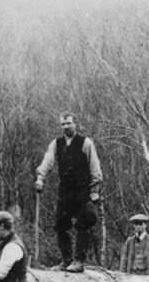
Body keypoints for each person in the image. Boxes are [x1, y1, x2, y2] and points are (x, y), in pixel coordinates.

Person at [35, 112, 103, 272]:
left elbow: (95, 167)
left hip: (83, 190)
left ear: (75, 124)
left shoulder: (86, 143)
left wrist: (95, 190)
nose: (66, 127)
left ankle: (79, 261)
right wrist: (40, 178)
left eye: (69, 123)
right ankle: (66, 260)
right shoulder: (56, 144)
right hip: (65, 190)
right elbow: (47, 161)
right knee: (60, 225)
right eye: (63, 124)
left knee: (83, 225)